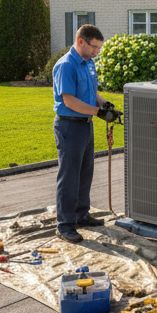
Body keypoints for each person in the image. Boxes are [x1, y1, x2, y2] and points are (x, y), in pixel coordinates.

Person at [52, 24, 114, 243]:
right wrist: (99, 112)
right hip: (69, 126)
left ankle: (81, 215)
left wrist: (105, 104)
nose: (97, 52)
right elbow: (69, 100)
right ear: (81, 42)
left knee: (85, 173)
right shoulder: (66, 65)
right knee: (69, 177)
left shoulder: (88, 63)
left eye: (99, 48)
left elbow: (91, 91)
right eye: (94, 47)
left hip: (85, 125)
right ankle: (65, 225)